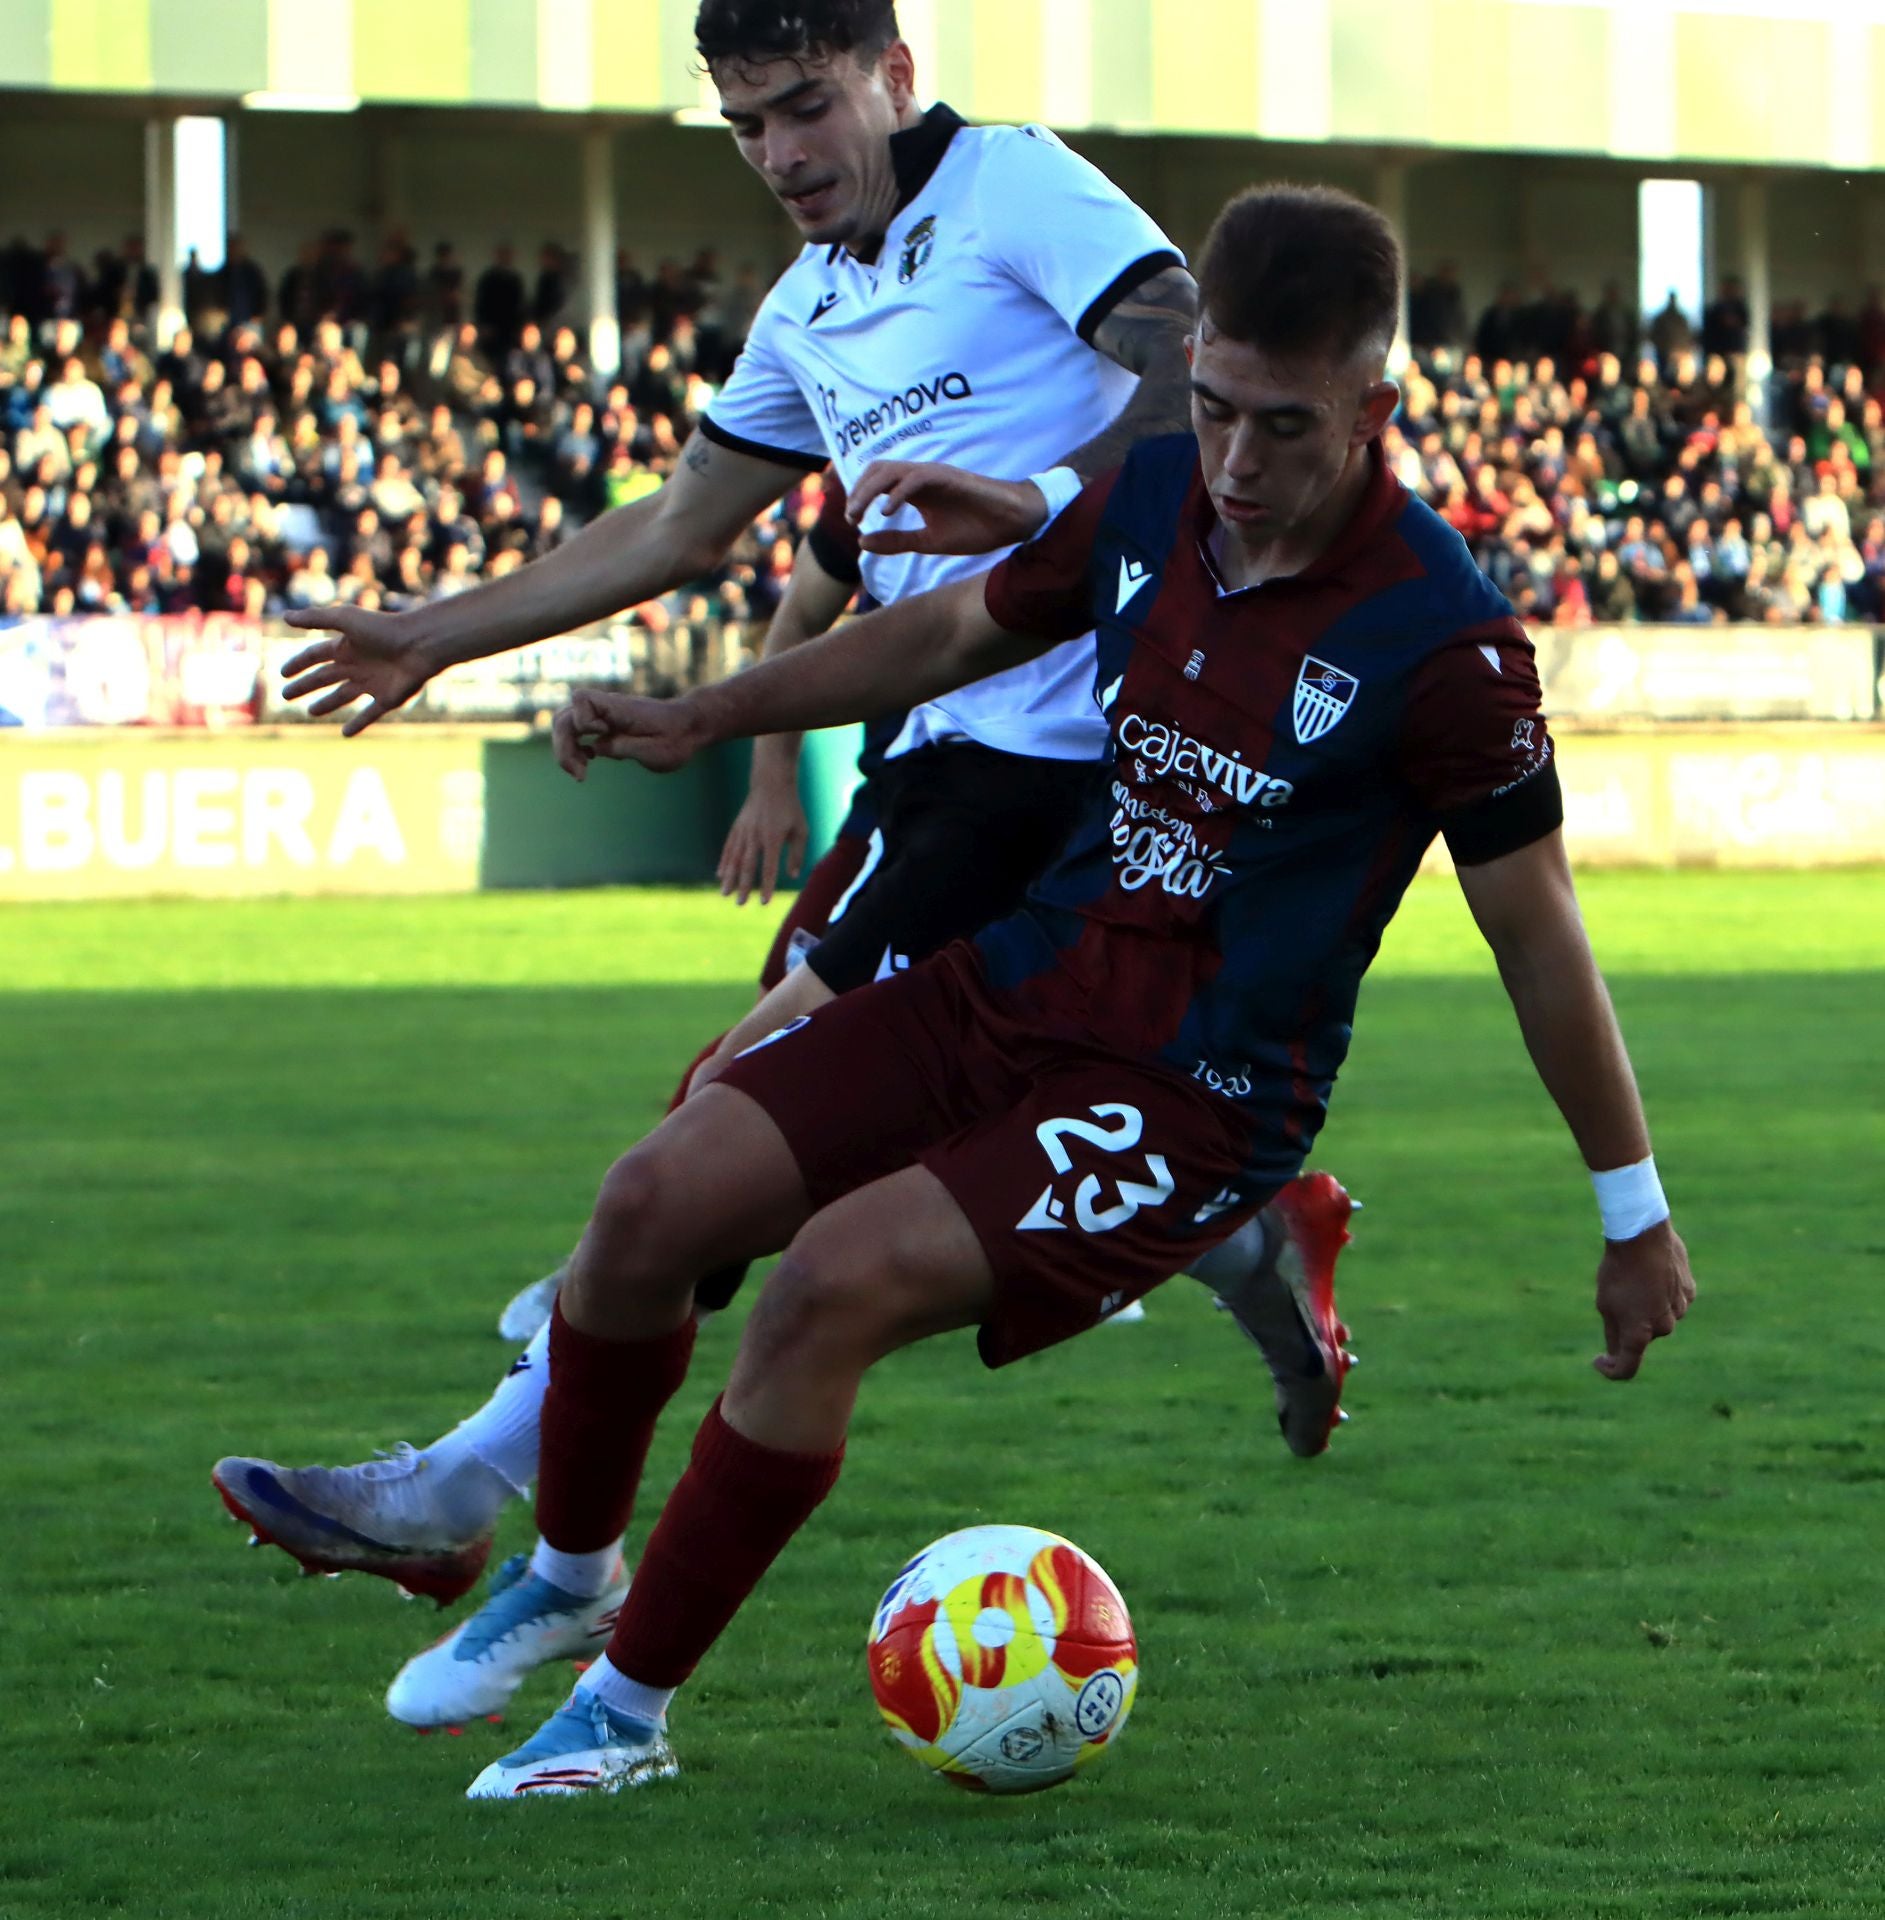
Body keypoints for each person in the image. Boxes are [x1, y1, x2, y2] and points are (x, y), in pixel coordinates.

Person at [361, 179, 1694, 1798]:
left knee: (826, 1284)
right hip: (1024, 978)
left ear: (1374, 407)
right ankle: (570, 1584)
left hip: (1198, 1087)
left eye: (1282, 427)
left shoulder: (1446, 647)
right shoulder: (1152, 499)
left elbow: (1535, 931)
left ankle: (624, 1720)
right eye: (1209, 409)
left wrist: (1630, 1214)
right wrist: (711, 717)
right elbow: (939, 641)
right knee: (655, 1195)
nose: (1236, 463)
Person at [213, 0, 1351, 1709]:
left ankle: (496, 1517)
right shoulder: (809, 310)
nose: (782, 154)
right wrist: (435, 633)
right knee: (749, 1130)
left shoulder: (1016, 188)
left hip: (1062, 770)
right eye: (745, 125)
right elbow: (680, 526)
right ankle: (1229, 1224)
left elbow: (1197, 361)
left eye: (806, 106)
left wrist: (1041, 499)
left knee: (729, 1129)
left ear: (896, 76)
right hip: (930, 763)